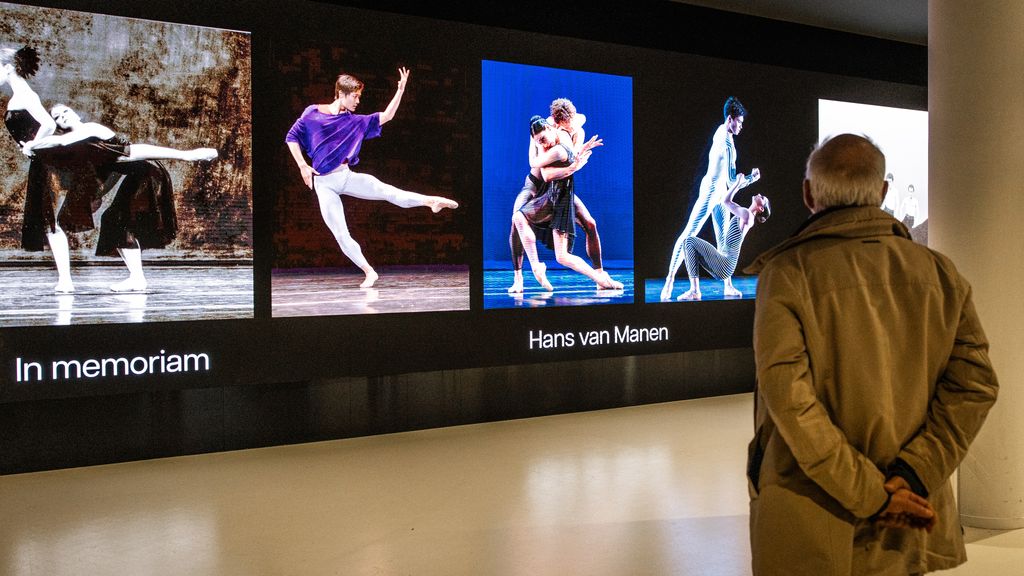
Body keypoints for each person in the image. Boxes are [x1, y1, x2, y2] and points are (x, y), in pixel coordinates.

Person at [744, 133, 998, 575]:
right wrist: (913, 475)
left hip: (814, 515)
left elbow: (790, 401)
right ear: (881, 192)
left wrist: (872, 495)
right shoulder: (940, 273)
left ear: (808, 194)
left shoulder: (787, 274)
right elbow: (974, 386)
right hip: (908, 520)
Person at [286, 67, 458, 289]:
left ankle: (430, 201)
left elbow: (387, 116)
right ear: (341, 93)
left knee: (388, 191)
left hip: (346, 176)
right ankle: (369, 271)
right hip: (324, 184)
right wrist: (302, 165)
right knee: (341, 234)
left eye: (359, 96)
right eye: (355, 96)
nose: (358, 101)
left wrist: (400, 90)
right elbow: (292, 136)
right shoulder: (313, 113)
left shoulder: (356, 121)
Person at [23, 104, 218, 292]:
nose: (63, 116)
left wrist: (186, 155)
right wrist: (96, 195)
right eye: (57, 117)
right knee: (114, 220)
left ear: (76, 114)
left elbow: (131, 152)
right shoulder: (81, 149)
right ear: (58, 125)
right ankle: (137, 278)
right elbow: (111, 170)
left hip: (148, 173)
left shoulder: (91, 129)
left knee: (117, 220)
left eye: (65, 111)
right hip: (138, 175)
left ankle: (137, 278)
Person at [661, 96, 760, 300]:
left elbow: (727, 179)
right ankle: (669, 280)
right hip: (711, 192)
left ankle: (728, 286)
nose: (741, 126)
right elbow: (732, 180)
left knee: (724, 240)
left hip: (719, 191)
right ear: (730, 119)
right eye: (739, 122)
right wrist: (752, 178)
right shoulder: (727, 144)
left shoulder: (721, 130)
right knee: (689, 232)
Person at [507, 98, 606, 293]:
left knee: (590, 223)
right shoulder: (545, 130)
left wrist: (579, 151)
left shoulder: (575, 129)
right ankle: (519, 278)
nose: (570, 125)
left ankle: (600, 275)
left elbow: (581, 123)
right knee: (516, 220)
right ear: (556, 122)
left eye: (571, 122)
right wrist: (573, 165)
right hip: (536, 184)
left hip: (556, 189)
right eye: (565, 123)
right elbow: (542, 169)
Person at [1, 46, 66, 291]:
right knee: (49, 221)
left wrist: (32, 144)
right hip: (41, 162)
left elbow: (49, 124)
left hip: (48, 161)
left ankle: (66, 281)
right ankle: (65, 280)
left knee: (51, 221)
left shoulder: (25, 95)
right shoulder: (19, 96)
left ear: (8, 68)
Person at [675, 174, 769, 301]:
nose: (759, 194)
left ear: (761, 208)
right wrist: (743, 182)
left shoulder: (747, 215)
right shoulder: (745, 213)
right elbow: (728, 202)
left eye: (762, 198)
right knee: (690, 245)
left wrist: (737, 183)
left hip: (725, 264)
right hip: (725, 265)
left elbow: (726, 201)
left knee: (689, 242)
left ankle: (695, 291)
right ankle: (711, 288)